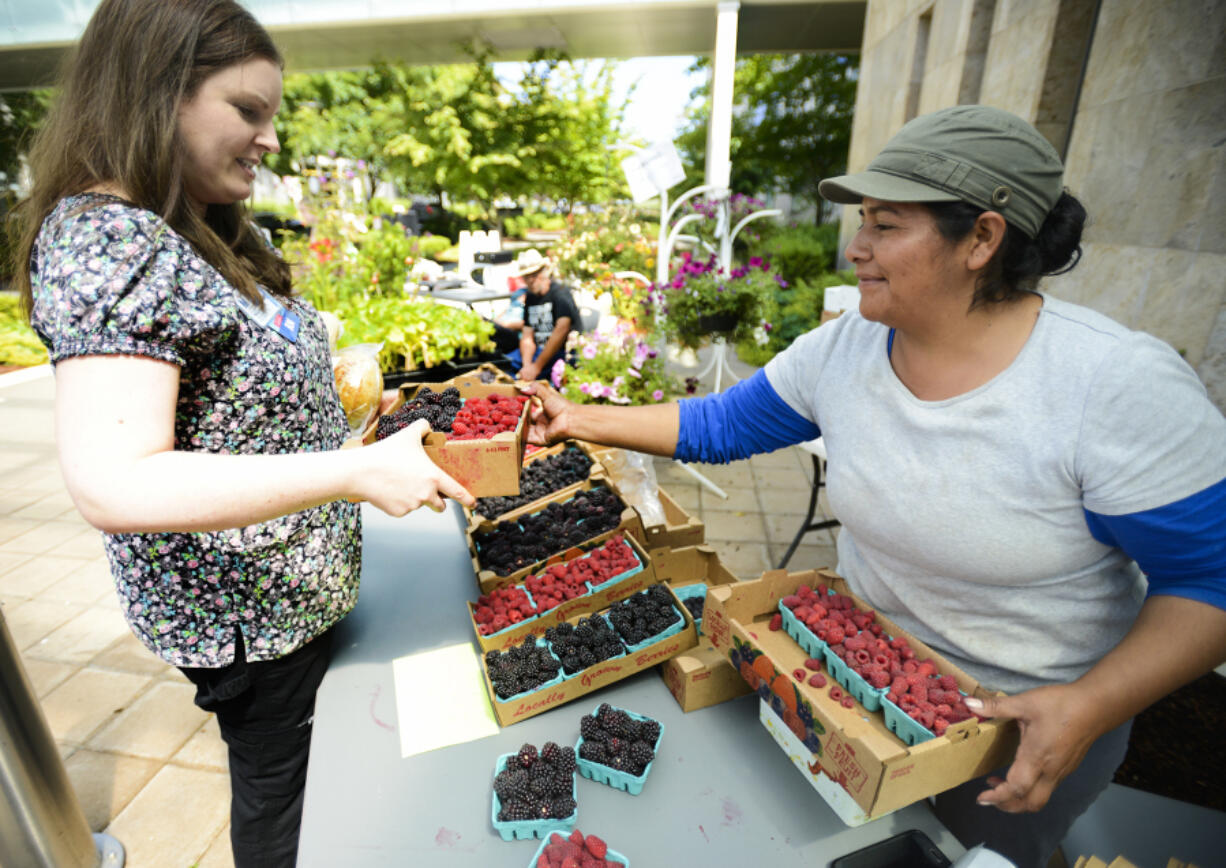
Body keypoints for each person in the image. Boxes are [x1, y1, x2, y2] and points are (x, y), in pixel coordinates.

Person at [520, 105, 1226, 867]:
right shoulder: (846, 350)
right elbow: (723, 425)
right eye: (863, 222)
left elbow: (1209, 583)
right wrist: (576, 416)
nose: (855, 248)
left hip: (1013, 739)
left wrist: (1091, 706)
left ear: (982, 240)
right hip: (845, 690)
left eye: (885, 225)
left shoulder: (1112, 387)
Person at [8, 2, 474, 866]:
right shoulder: (112, 240)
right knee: (287, 813)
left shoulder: (195, 225)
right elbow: (115, 481)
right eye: (247, 110)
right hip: (251, 625)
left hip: (292, 603)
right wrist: (350, 473)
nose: (268, 138)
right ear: (158, 94)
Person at [510, 248, 583, 382]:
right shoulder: (530, 297)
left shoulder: (561, 294)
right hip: (538, 353)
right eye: (526, 277)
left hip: (562, 353)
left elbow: (561, 330)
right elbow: (527, 335)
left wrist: (536, 367)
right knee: (506, 362)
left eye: (534, 275)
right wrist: (527, 366)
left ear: (544, 271)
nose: (530, 280)